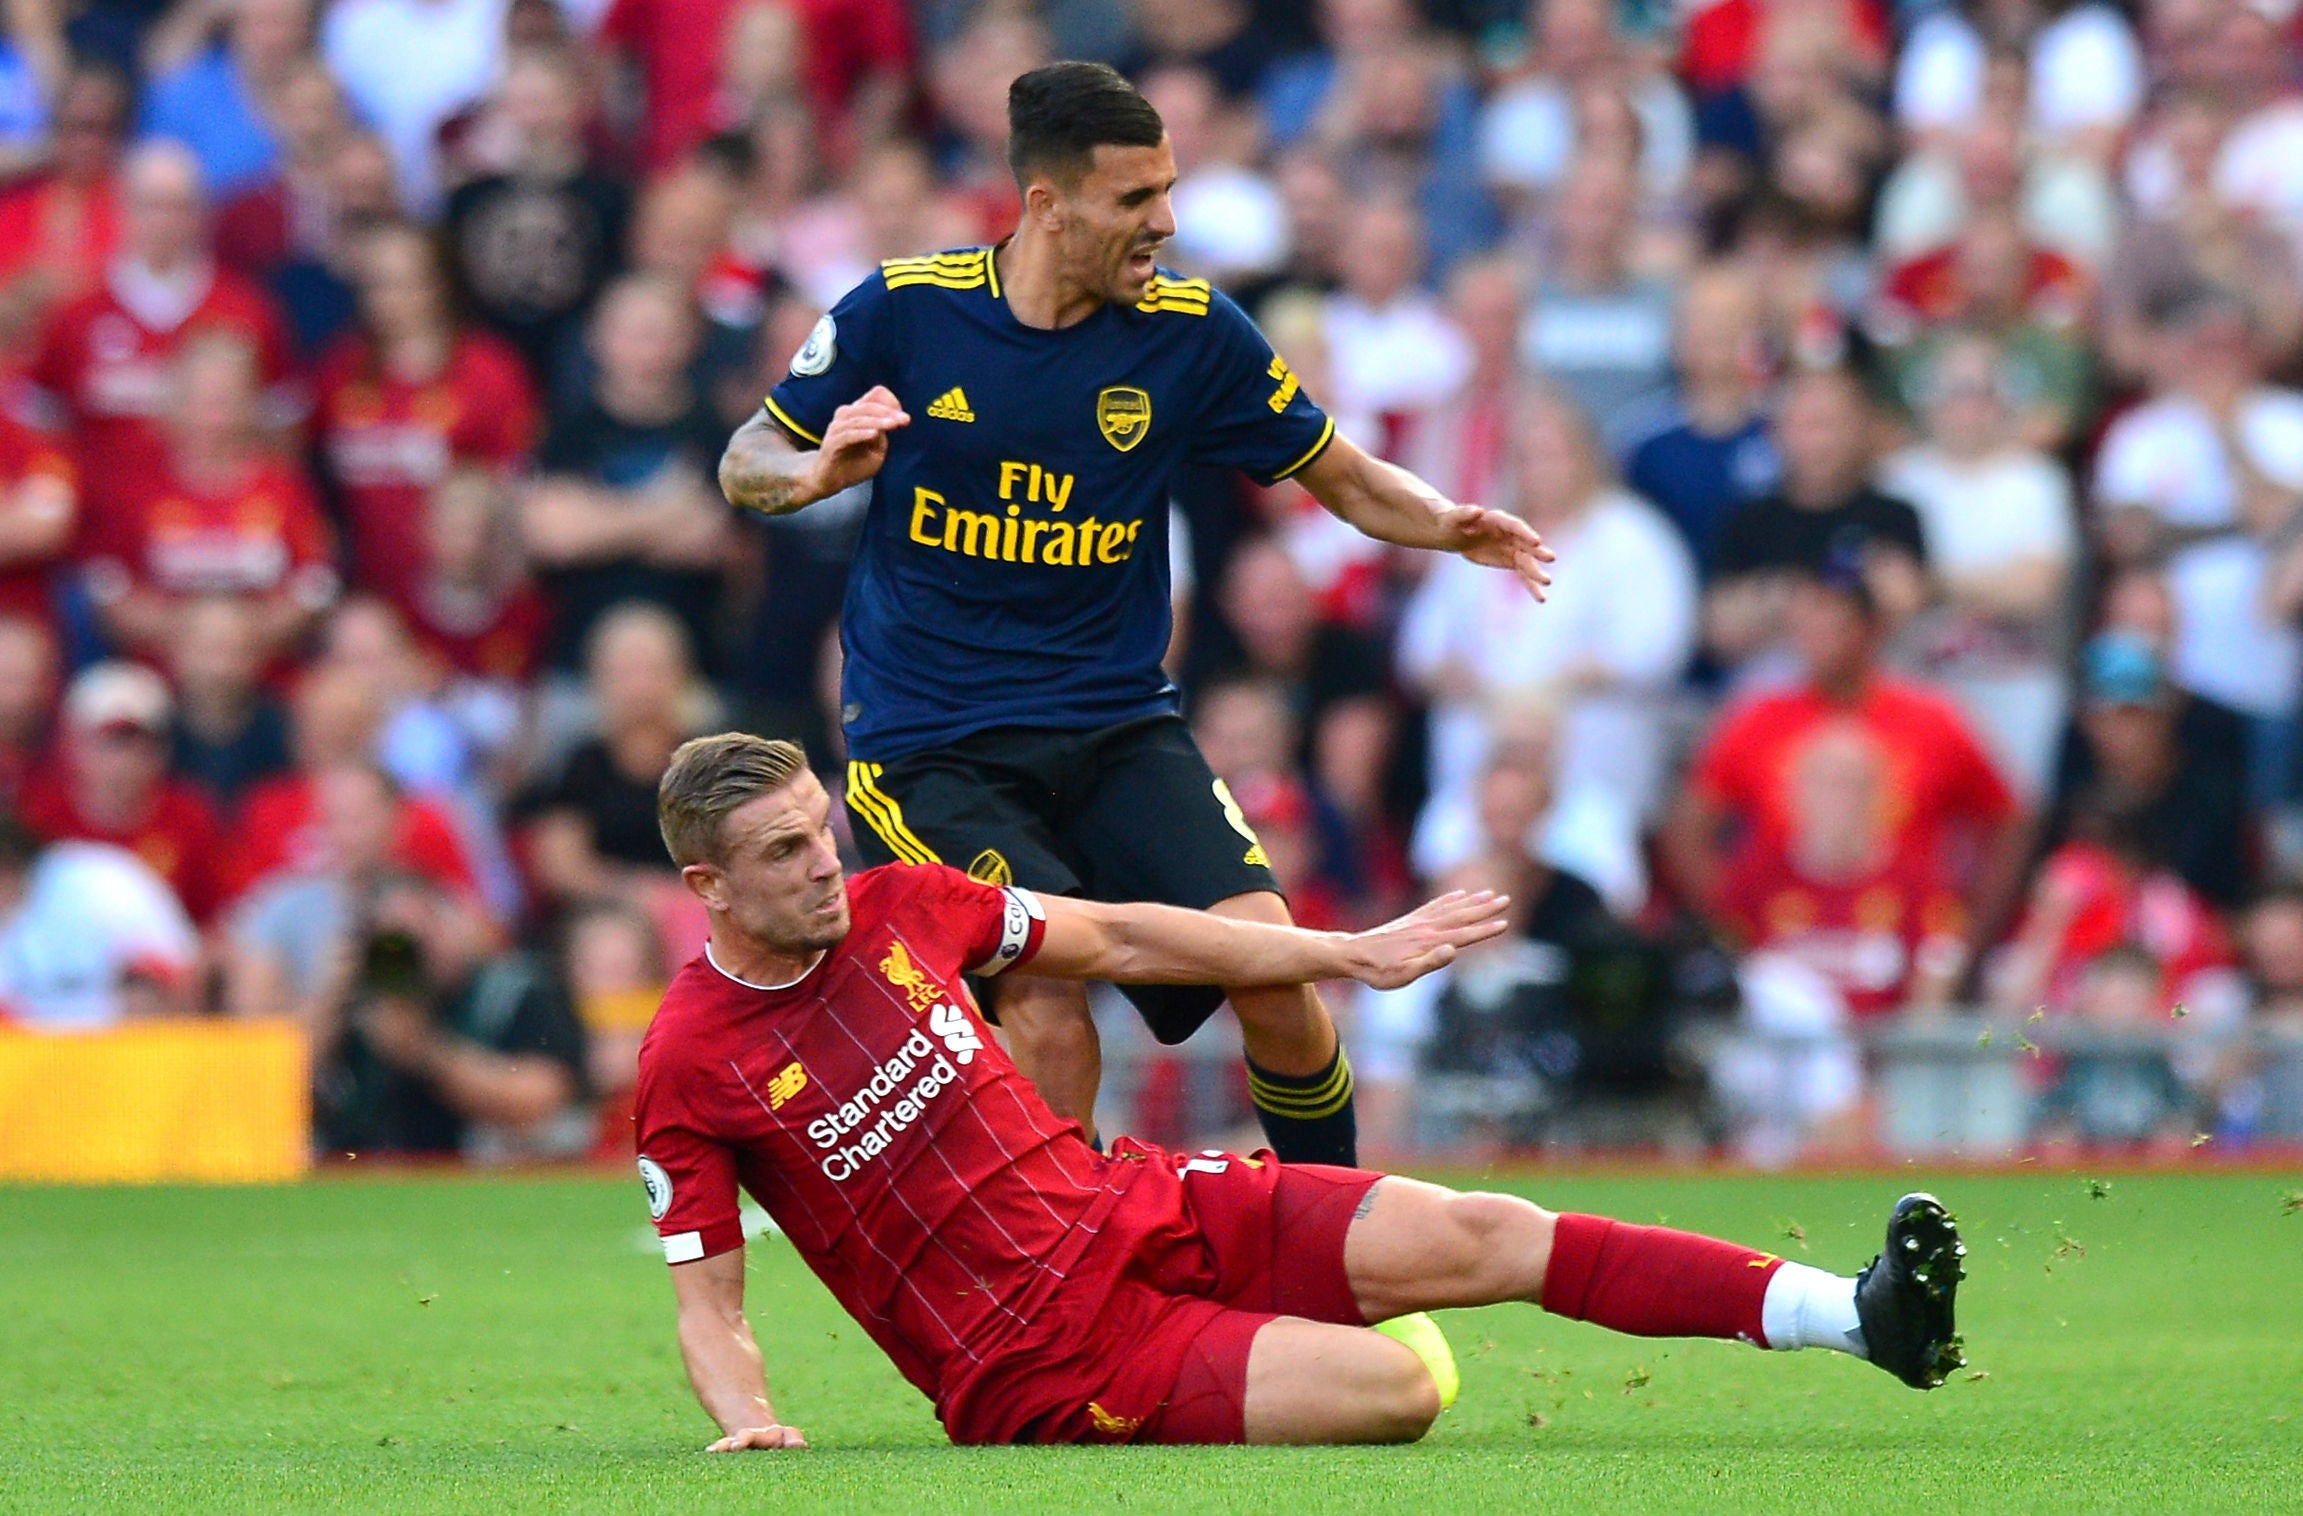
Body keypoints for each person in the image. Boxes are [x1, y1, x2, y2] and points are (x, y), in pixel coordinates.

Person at [634, 732, 1967, 1450]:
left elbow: (1135, 938)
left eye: (822, 828)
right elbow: (708, 1300)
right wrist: (750, 1425)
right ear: (709, 888)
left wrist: (1346, 949)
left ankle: (1857, 1318)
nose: (824, 863)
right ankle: (1274, 1328)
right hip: (1040, 1359)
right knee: (1395, 1396)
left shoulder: (904, 904)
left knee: (1485, 1231)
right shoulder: (690, 1061)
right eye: (784, 850)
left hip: (1132, 1206)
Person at [714, 62, 1552, 1166]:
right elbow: (747, 461)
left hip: (1116, 723)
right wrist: (818, 471)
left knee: (1280, 973)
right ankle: (1074, 1291)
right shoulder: (905, 311)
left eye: (1168, 189)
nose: (1164, 220)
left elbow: (1341, 476)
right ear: (1047, 205)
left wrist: (1448, 521)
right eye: (1133, 198)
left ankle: (1336, 1242)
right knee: (1051, 997)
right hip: (933, 746)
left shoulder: (1189, 330)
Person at [0, 812, 198, 1028]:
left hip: (132, 1047)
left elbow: (181, 976)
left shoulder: (98, 882)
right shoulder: (10, 915)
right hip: (39, 1056)